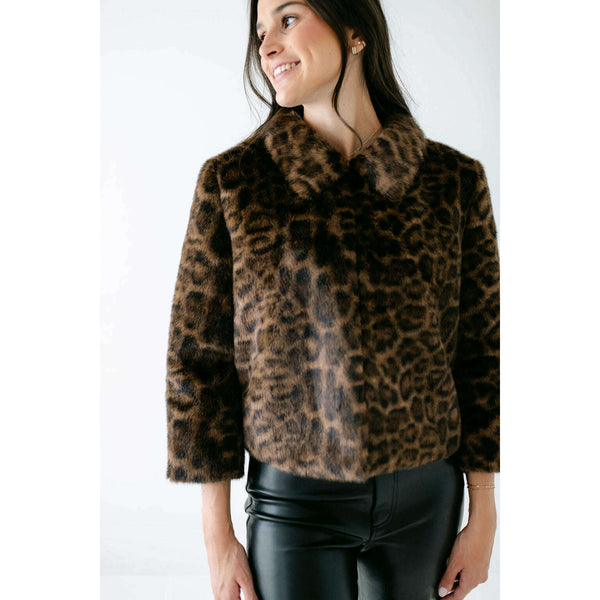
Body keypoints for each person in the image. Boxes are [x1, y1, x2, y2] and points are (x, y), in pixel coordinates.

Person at [164, 0, 499, 599]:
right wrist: (217, 533)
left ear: (354, 30)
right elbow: (198, 363)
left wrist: (485, 511)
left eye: (288, 18)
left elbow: (481, 354)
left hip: (427, 498)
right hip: (294, 502)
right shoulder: (235, 183)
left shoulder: (453, 182)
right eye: (260, 31)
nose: (267, 45)